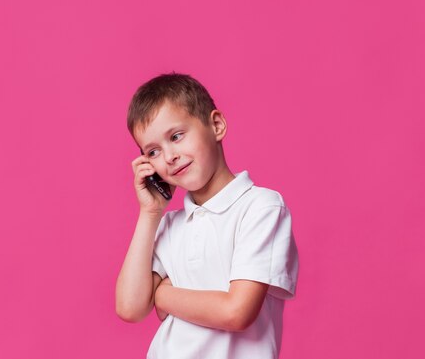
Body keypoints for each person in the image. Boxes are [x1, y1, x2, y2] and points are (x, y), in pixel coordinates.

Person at [115, 72, 299, 359]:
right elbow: (130, 307)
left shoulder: (260, 208)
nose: (169, 156)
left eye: (176, 136)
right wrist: (150, 213)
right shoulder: (169, 226)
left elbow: (236, 312)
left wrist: (163, 295)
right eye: (153, 151)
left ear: (216, 125)